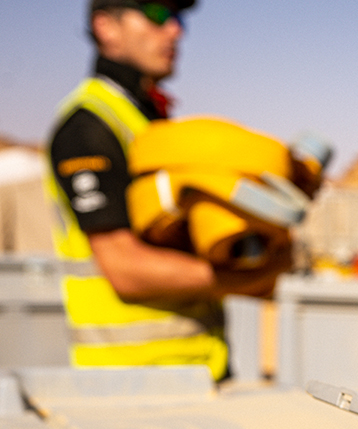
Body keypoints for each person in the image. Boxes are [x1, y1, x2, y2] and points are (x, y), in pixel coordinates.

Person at [46, 0, 291, 381]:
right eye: (158, 15)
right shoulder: (88, 125)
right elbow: (124, 267)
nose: (176, 30)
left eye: (178, 18)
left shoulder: (148, 125)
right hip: (130, 386)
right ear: (106, 27)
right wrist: (240, 280)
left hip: (192, 374)